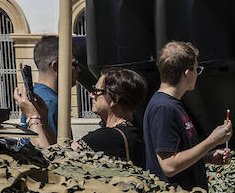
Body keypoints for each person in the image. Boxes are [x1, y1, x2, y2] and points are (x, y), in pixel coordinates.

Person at [142, 41, 232, 190]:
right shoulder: (164, 108)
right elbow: (169, 166)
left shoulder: (171, 104)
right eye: (197, 69)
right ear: (187, 73)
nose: (197, 74)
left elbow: (177, 155)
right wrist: (212, 140)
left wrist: (207, 157)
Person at [17, 66, 146, 164]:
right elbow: (60, 152)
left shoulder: (108, 137)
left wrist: (33, 117)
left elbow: (52, 163)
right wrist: (44, 120)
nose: (91, 95)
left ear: (114, 100)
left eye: (96, 91)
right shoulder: (130, 131)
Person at [18, 34, 81, 147]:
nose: (79, 70)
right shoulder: (49, 102)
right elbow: (52, 153)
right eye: (74, 64)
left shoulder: (38, 95)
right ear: (56, 66)